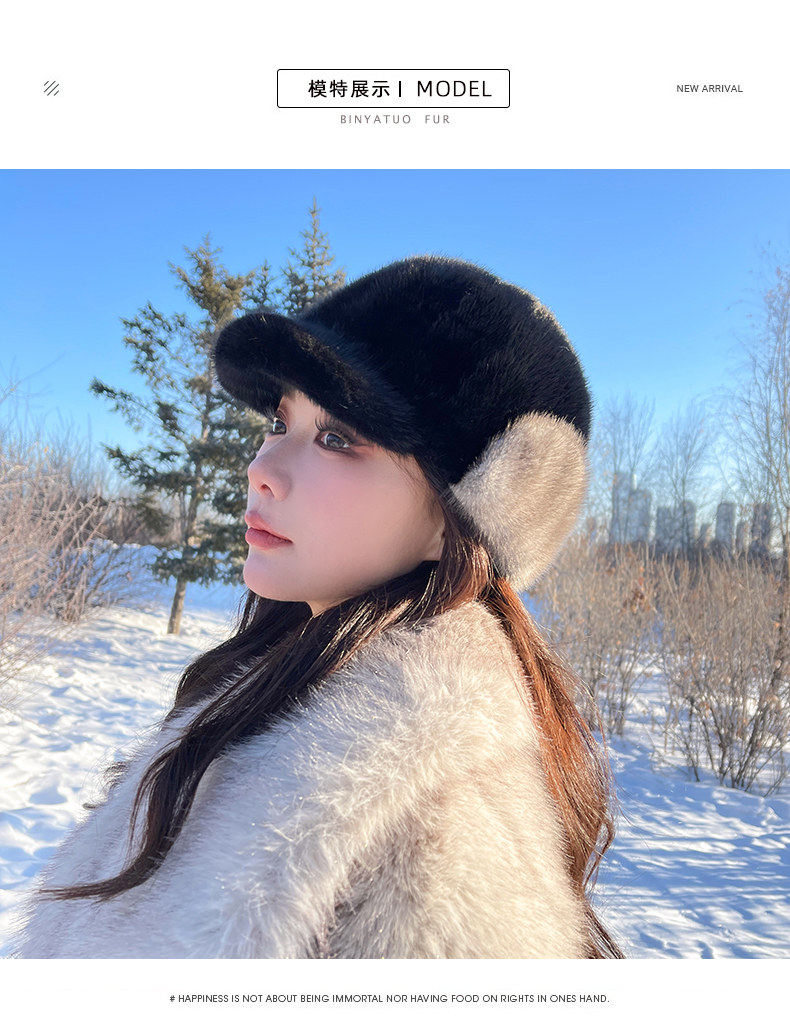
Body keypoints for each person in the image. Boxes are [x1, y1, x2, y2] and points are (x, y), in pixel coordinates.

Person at [13, 255, 621, 959]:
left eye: (337, 438)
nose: (261, 468)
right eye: (280, 421)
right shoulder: (289, 682)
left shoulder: (427, 827)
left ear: (458, 519)